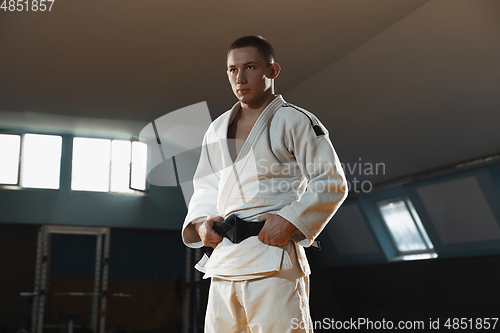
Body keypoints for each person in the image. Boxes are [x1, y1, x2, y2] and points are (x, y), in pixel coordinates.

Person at [182, 35, 347, 332]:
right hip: (223, 262)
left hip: (273, 260)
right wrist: (201, 222)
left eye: (251, 67)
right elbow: (206, 186)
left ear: (273, 71)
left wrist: (290, 220)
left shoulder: (294, 120)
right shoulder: (217, 128)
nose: (240, 77)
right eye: (233, 70)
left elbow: (331, 181)